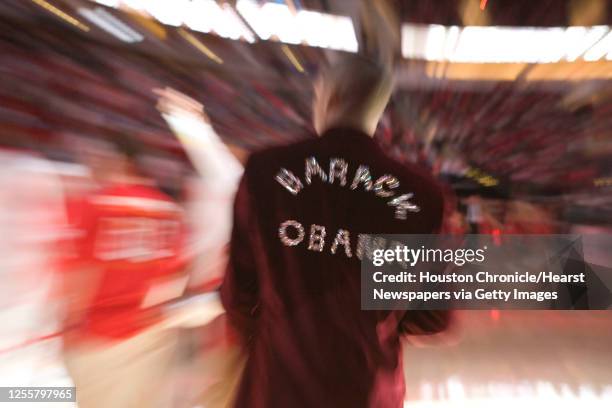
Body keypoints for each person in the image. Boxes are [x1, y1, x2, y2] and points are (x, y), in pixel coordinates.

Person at [220, 55, 449, 408]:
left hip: (278, 389)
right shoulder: (423, 197)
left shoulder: (266, 170)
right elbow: (432, 318)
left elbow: (238, 296)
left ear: (333, 97)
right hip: (367, 392)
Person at [60, 139, 187, 408]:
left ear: (121, 162)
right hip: (148, 327)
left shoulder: (96, 203)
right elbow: (176, 272)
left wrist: (71, 321)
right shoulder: (169, 209)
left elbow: (83, 270)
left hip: (99, 331)